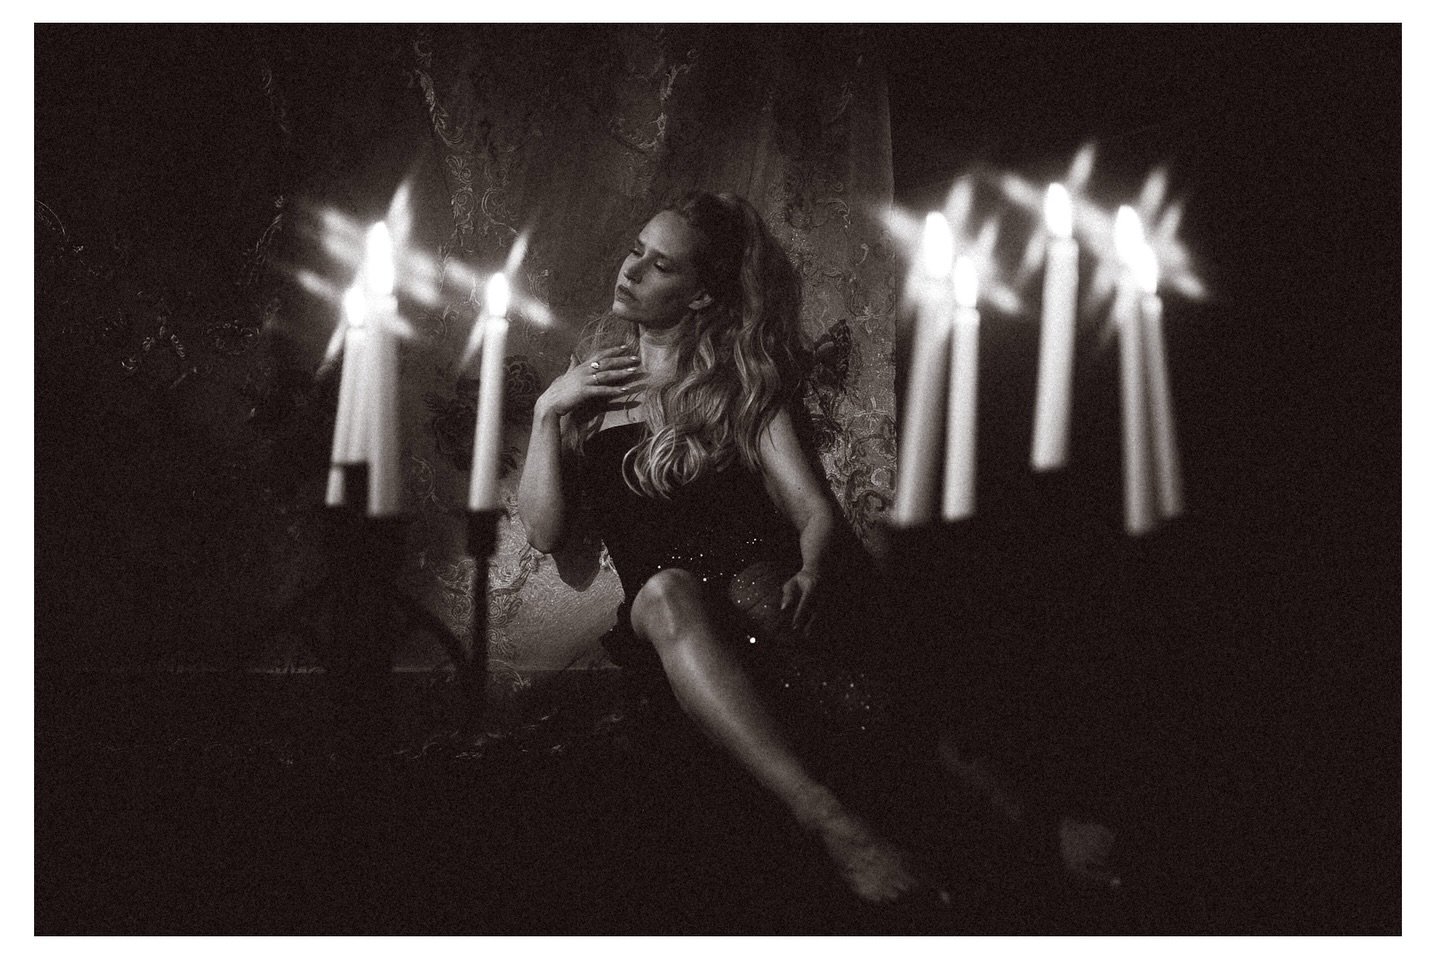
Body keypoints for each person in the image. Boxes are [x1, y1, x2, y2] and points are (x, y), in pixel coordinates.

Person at [516, 190, 1117, 904]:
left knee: (869, 697)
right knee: (665, 590)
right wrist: (547, 410)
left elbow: (811, 509)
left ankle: (1034, 826)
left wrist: (809, 566)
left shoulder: (740, 386)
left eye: (662, 265)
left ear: (701, 294)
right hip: (667, 618)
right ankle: (835, 825)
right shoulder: (587, 393)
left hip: (755, 587)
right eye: (635, 251)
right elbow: (545, 532)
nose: (633, 270)